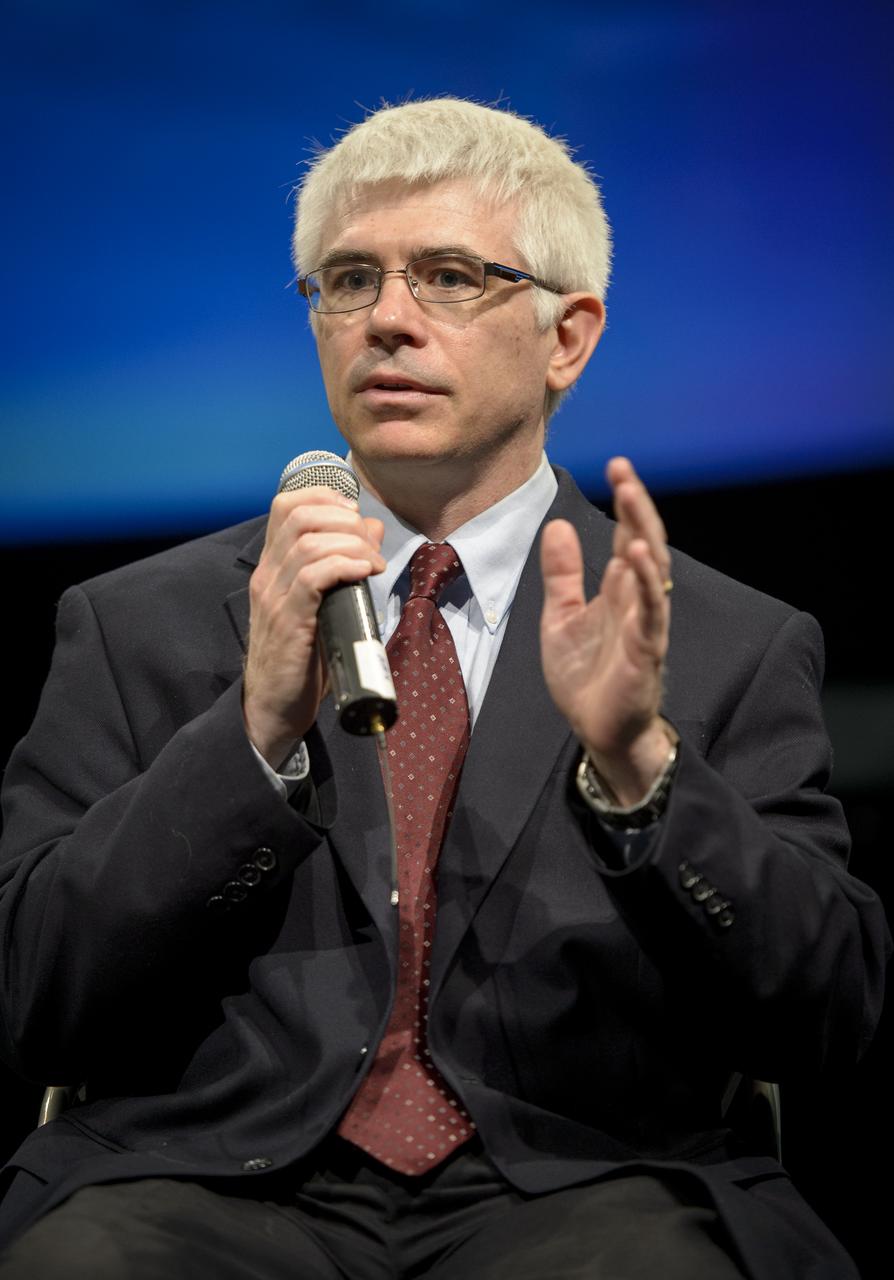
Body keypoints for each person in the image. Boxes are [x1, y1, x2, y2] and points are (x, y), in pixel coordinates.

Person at [0, 97, 888, 1279]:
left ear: (568, 335)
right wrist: (252, 732)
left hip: (588, 1187)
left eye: (451, 276)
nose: (387, 321)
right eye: (349, 280)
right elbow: (39, 1000)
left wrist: (642, 766)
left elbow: (823, 1013)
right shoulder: (137, 623)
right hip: (210, 1185)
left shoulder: (725, 637)